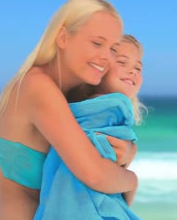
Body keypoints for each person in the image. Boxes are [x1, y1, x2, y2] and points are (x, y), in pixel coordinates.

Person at [0, 0, 138, 220]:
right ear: (63, 37)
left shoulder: (68, 98)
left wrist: (129, 150)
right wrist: (132, 180)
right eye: (97, 43)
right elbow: (96, 175)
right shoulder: (37, 86)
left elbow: (102, 162)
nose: (106, 56)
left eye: (113, 49)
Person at [34, 35, 145, 219]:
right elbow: (101, 177)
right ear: (99, 69)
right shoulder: (109, 110)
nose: (133, 71)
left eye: (138, 68)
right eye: (122, 62)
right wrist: (132, 181)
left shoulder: (86, 112)